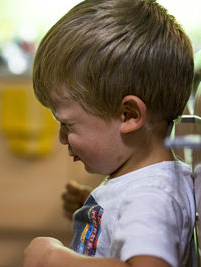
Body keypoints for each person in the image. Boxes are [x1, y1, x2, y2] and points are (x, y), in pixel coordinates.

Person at [23, 0, 195, 266]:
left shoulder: (150, 197)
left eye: (67, 124)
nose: (61, 137)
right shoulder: (143, 185)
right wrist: (98, 213)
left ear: (128, 115)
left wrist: (52, 258)